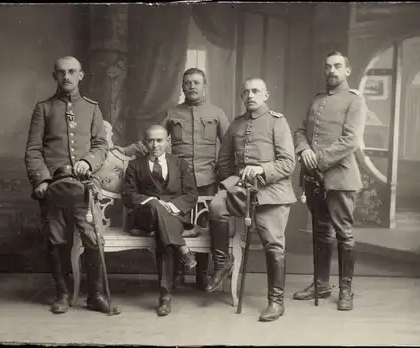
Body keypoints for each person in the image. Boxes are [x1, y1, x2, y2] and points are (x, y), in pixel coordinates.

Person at [116, 68, 230, 290]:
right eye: (187, 83)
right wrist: (124, 150)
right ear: (182, 87)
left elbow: (227, 146)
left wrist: (223, 171)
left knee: (203, 225)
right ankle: (178, 273)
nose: (192, 86)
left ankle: (202, 275)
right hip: (177, 180)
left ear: (205, 86)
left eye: (197, 82)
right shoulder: (173, 113)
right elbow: (153, 139)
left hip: (207, 178)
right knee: (177, 220)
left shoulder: (217, 113)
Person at [206, 78, 297, 322]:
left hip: (271, 193)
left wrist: (261, 170)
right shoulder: (236, 124)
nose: (250, 96)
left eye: (256, 91)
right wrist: (232, 181)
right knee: (216, 206)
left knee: (273, 245)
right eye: (245, 92)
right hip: (241, 190)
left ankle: (276, 302)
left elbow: (288, 162)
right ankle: (222, 263)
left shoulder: (277, 122)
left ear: (266, 95)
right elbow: (224, 160)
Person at [24, 56, 110, 315]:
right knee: (56, 240)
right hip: (54, 188)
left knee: (94, 240)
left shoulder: (92, 108)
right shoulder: (44, 109)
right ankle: (62, 294)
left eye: (72, 71)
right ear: (55, 76)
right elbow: (33, 150)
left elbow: (101, 145)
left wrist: (88, 161)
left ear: (81, 75)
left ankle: (94, 295)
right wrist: (42, 180)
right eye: (61, 72)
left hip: (83, 186)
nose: (67, 77)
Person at [293, 52, 367, 311]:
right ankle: (321, 284)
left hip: (341, 177)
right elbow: (301, 131)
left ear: (348, 70)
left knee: (344, 234)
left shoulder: (354, 101)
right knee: (320, 232)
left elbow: (351, 140)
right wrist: (304, 151)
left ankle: (346, 290)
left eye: (337, 66)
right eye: (328, 67)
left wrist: (318, 160)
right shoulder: (317, 100)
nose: (332, 71)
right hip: (315, 179)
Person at [122, 125, 199, 316]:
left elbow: (191, 194)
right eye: (150, 140)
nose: (155, 145)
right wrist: (154, 203)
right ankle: (184, 250)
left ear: (167, 142)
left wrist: (170, 206)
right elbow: (128, 195)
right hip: (145, 216)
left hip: (174, 216)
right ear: (144, 142)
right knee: (156, 206)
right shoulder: (135, 165)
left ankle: (165, 296)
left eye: (159, 140)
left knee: (162, 235)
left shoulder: (179, 163)